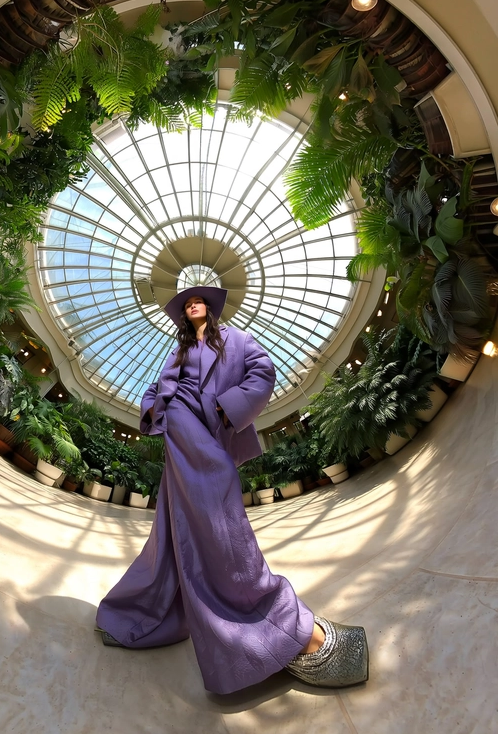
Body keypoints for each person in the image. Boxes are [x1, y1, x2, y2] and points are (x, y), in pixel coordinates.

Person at [96, 285, 368, 695]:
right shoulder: (178, 352)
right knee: (217, 509)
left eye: (198, 300)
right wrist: (154, 406)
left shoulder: (238, 339)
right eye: (187, 303)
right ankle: (284, 632)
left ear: (210, 308)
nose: (192, 304)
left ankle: (137, 616)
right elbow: (158, 387)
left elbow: (263, 371)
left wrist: (228, 407)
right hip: (180, 421)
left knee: (177, 525)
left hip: (213, 429)